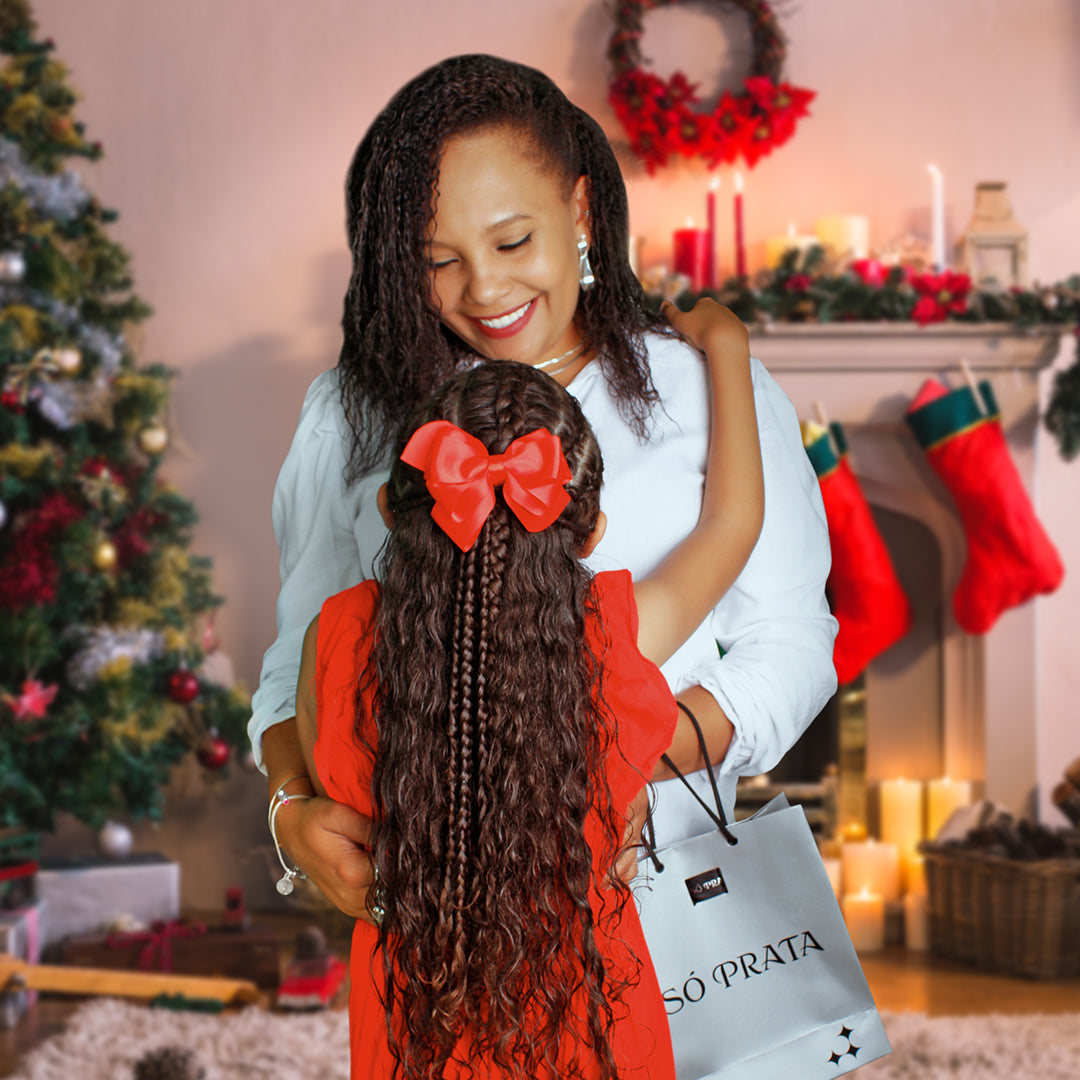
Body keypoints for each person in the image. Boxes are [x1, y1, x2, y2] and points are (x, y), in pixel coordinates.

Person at [249, 54, 837, 919]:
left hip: (658, 913)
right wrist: (289, 811)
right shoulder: (349, 414)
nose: (484, 290)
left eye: (512, 241)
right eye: (435, 260)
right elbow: (292, 668)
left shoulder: (703, 395)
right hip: (428, 923)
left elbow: (792, 649)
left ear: (580, 208)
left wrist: (603, 766)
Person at [295, 326, 761, 1077]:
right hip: (600, 1032)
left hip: (412, 1024)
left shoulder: (337, 639)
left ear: (390, 508)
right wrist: (727, 349)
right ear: (591, 533)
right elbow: (733, 525)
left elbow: (325, 787)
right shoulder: (611, 641)